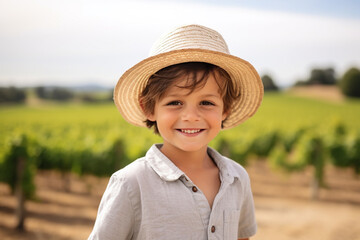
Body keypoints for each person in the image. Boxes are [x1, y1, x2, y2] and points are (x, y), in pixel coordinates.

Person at [88, 24, 263, 240]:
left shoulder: (237, 178)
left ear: (225, 109)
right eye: (175, 102)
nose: (191, 116)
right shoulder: (132, 183)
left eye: (207, 102)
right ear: (149, 108)